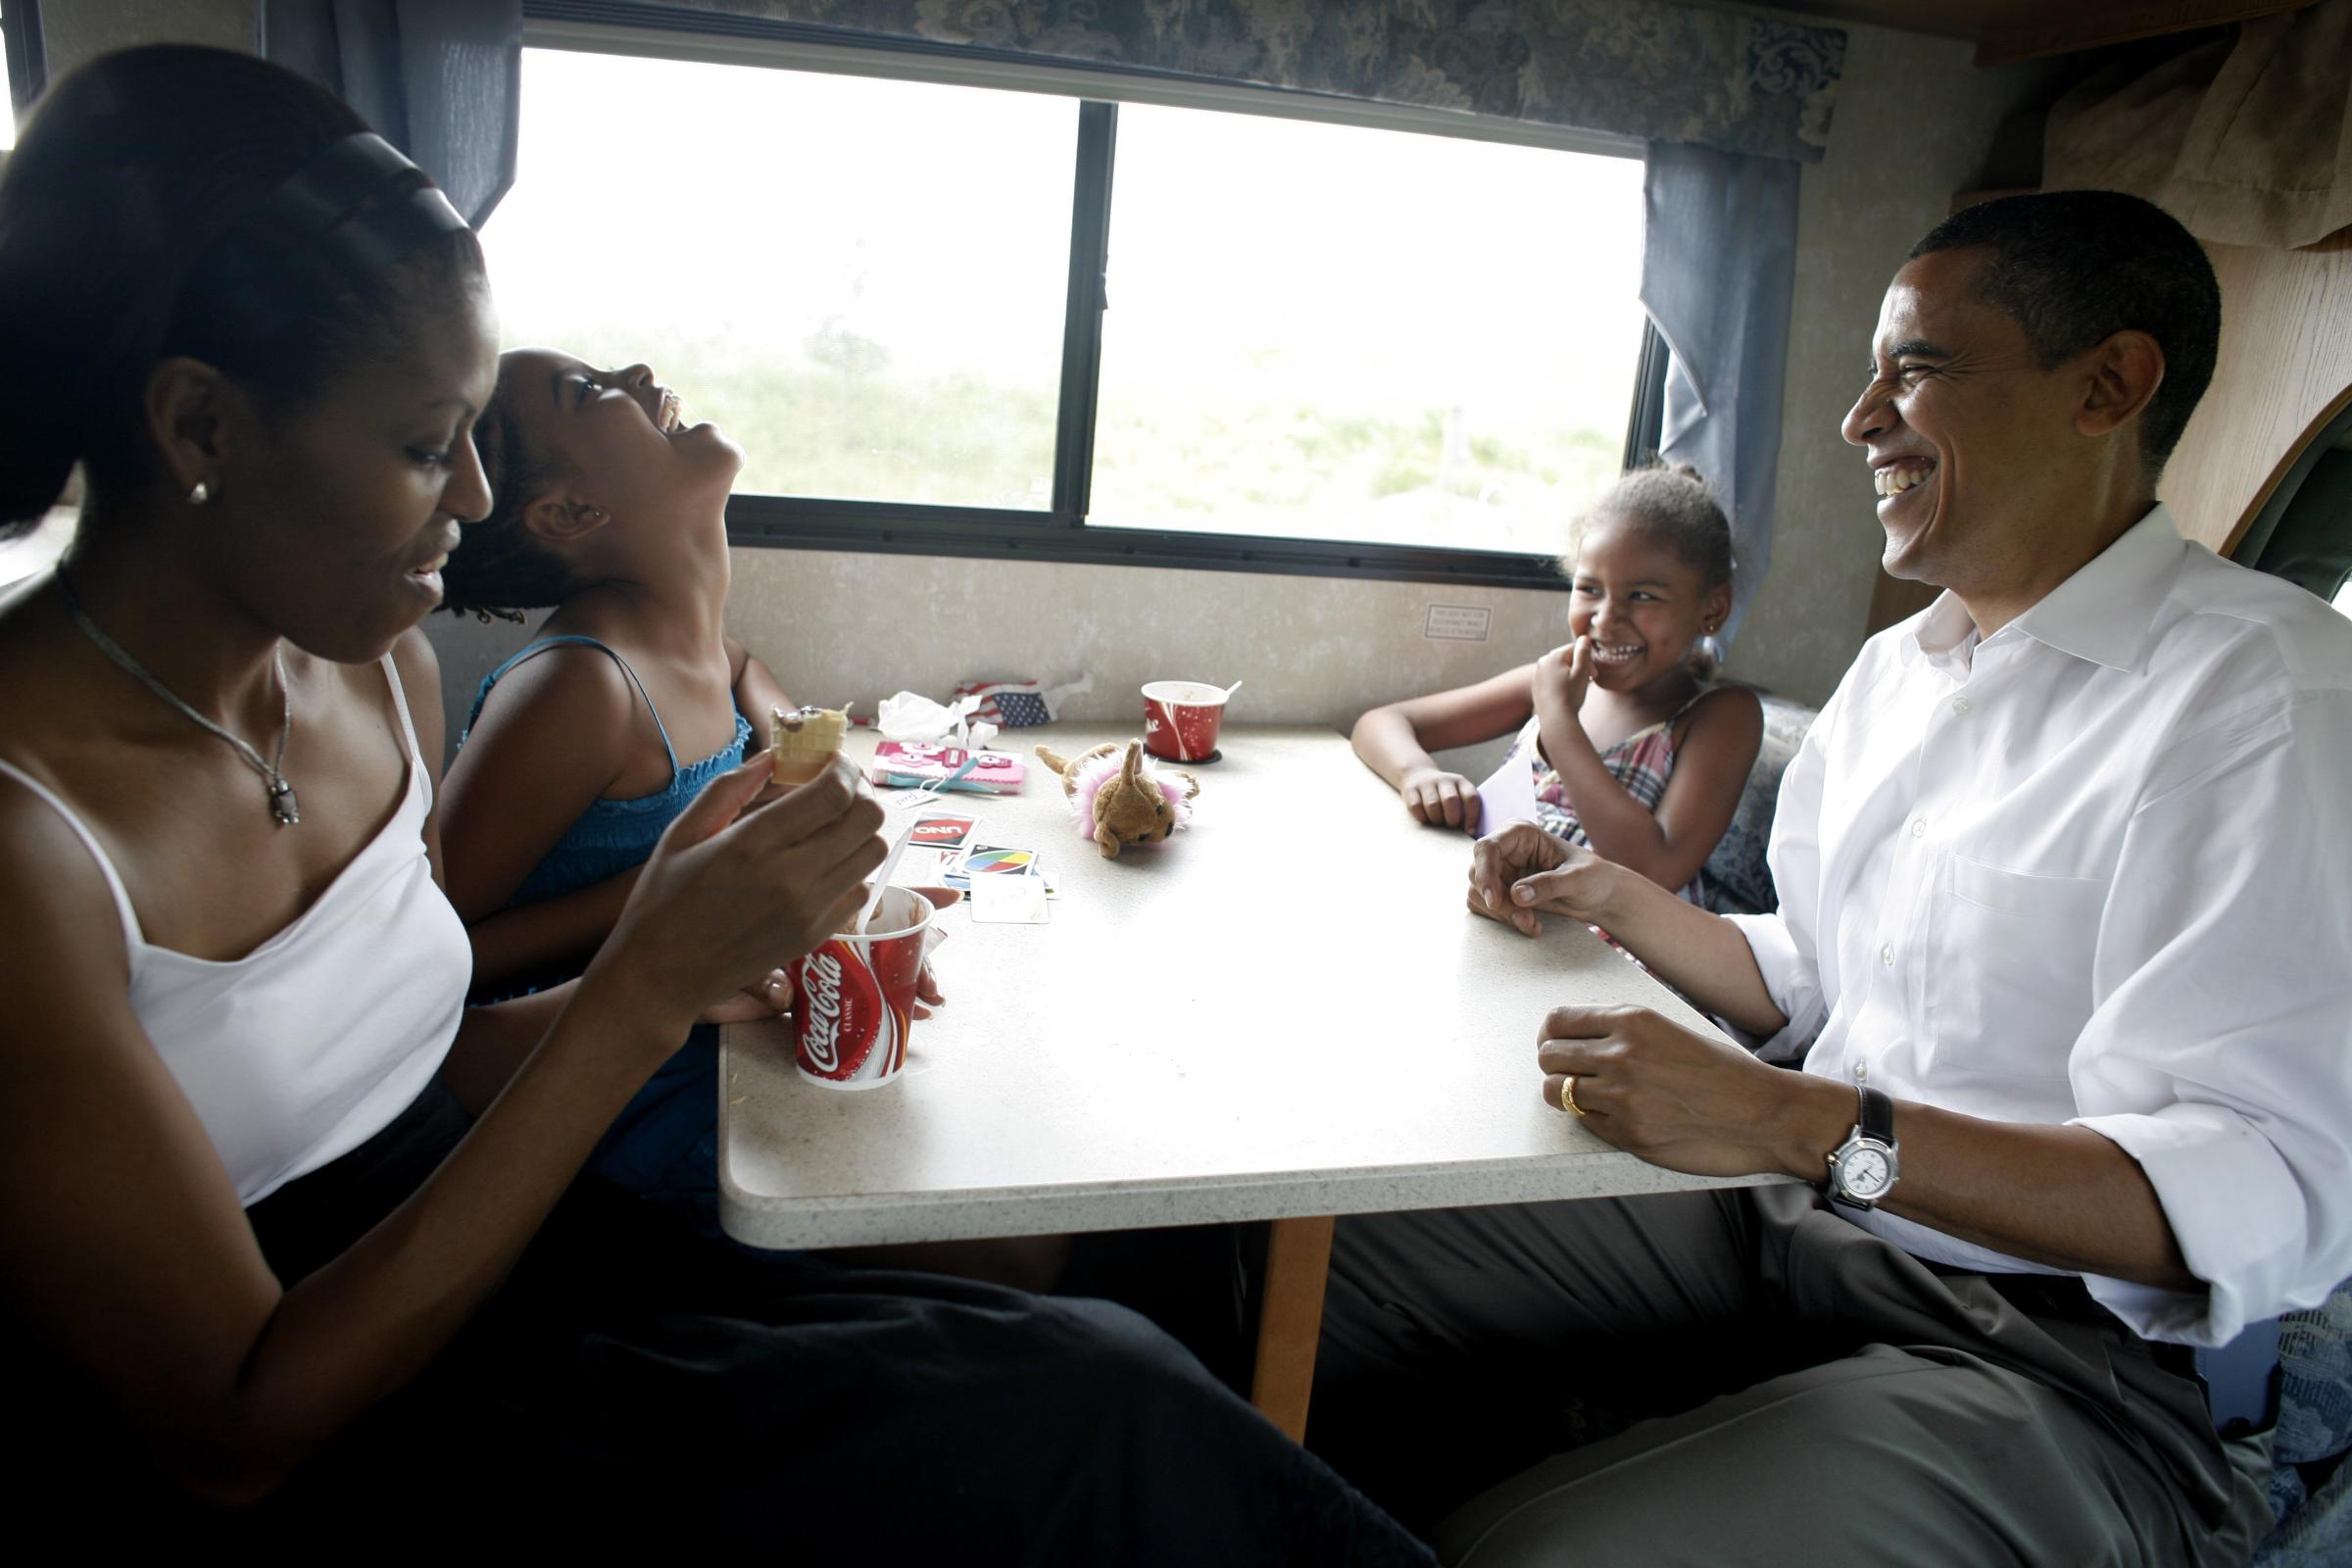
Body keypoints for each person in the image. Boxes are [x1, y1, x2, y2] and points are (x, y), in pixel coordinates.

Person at [0, 46, 1430, 1561]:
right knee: (1095, 1414)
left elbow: (400, 1069)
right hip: (352, 1416)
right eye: (428, 447)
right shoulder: (34, 843)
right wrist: (638, 989)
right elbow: (233, 1429)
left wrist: (695, 981)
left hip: (502, 1253)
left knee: (1119, 1316)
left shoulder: (368, 680)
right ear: (201, 427)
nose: (476, 505)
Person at [1309, 190, 2352, 1565]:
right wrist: (1607, 894)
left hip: (2063, 1363)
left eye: (1914, 367)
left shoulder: (2266, 698)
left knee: (1536, 1554)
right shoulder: (1899, 672)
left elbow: (2263, 1189)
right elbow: (1810, 972)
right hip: (1793, 1226)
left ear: (2111, 384)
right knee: (1294, 1261)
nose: (1861, 418)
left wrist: (1803, 1124)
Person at [431, 348, 948, 1225]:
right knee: (1000, 1241)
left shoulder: (688, 639)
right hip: (599, 1085)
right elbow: (432, 957)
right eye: (589, 391)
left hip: (707, 1024)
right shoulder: (580, 690)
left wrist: (800, 757)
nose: (633, 371)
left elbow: (741, 666)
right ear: (568, 511)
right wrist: (682, 894)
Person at [1349, 465, 1761, 905]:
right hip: (1510, 911)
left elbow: (1651, 870)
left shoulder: (1721, 715)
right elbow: (1381, 723)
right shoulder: (1550, 682)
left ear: (1712, 610)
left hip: (1611, 953)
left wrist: (1560, 721)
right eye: (1589, 589)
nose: (1605, 618)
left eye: (1642, 596)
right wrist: (1419, 773)